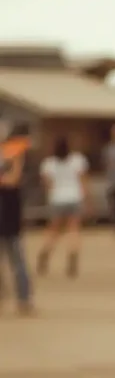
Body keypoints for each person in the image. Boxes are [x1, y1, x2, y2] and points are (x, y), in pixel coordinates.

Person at [37, 136, 89, 278]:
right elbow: (83, 181)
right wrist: (87, 199)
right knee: (74, 229)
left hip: (57, 198)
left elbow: (47, 184)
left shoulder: (48, 163)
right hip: (74, 197)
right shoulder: (78, 160)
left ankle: (45, 252)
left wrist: (52, 195)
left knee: (53, 229)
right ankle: (72, 257)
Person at [0, 122, 33, 314]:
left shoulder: (15, 153)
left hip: (11, 215)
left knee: (17, 260)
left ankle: (24, 299)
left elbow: (14, 180)